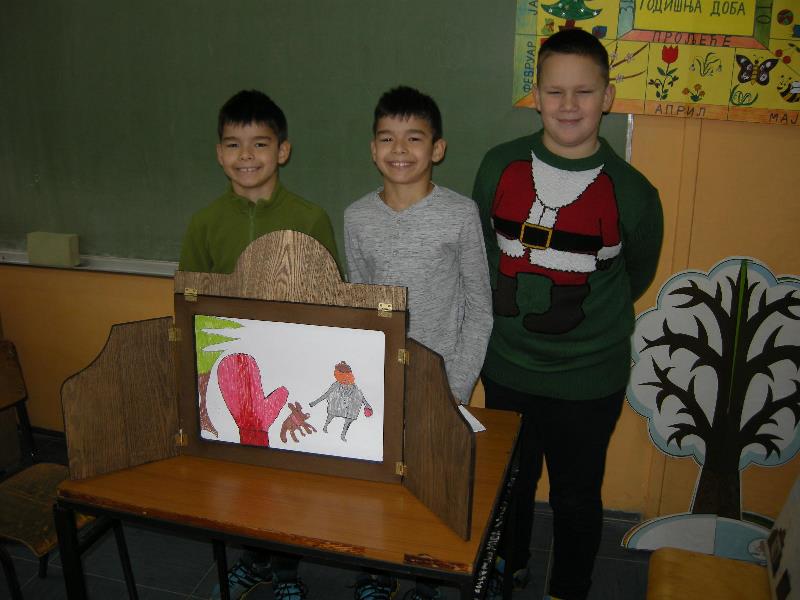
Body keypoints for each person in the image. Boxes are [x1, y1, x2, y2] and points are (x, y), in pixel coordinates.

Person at [472, 29, 664, 600]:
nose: (569, 105)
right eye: (555, 91)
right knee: (511, 484)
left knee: (576, 496)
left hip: (588, 378)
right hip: (508, 367)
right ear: (536, 97)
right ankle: (509, 568)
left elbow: (634, 273)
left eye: (584, 91)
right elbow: (482, 250)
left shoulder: (633, 191)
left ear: (608, 97)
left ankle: (569, 588)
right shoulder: (499, 165)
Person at [179, 89, 340, 600]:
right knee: (239, 470)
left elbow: (329, 300)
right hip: (230, 372)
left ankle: (288, 570)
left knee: (286, 471)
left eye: (260, 144)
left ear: (283, 151)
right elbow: (190, 301)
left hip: (289, 367)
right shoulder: (205, 222)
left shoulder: (311, 218)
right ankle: (252, 560)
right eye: (233, 144)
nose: (246, 156)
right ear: (219, 153)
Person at [345, 86, 493, 600]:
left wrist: (457, 386)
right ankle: (375, 572)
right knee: (379, 480)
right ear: (373, 149)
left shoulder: (460, 214)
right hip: (381, 380)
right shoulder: (357, 217)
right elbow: (360, 305)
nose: (400, 149)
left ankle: (425, 579)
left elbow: (480, 308)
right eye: (387, 138)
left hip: (441, 381)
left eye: (414, 137)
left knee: (431, 486)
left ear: (438, 148)